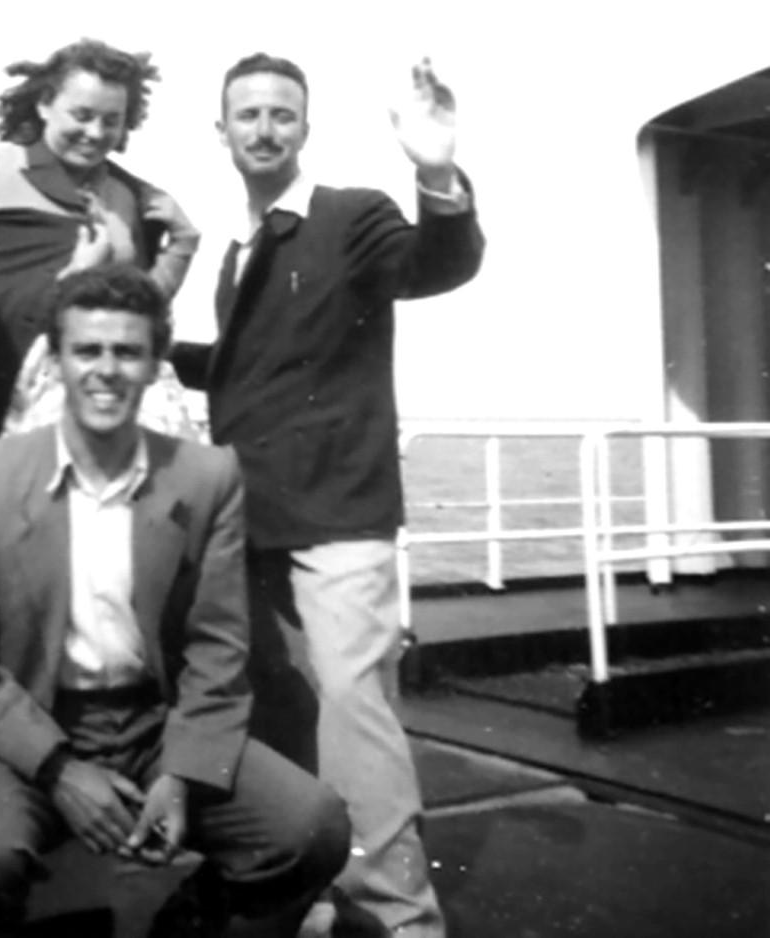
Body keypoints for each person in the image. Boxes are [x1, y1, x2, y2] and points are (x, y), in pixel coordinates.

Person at [0, 263, 351, 937]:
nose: (106, 369)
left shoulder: (205, 477)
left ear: (154, 366)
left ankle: (187, 923)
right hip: (28, 727)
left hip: (153, 726)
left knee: (312, 828)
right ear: (55, 362)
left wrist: (181, 774)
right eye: (87, 350)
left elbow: (218, 645)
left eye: (128, 351)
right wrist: (58, 770)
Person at [171, 54, 486, 937]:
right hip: (254, 515)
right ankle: (316, 890)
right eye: (248, 115)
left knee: (354, 712)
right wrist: (151, 346)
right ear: (222, 131)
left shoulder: (349, 216)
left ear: (303, 129)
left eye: (281, 114)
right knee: (283, 712)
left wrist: (433, 171)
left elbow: (435, 262)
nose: (265, 129)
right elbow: (251, 371)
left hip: (339, 514)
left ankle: (403, 919)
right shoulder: (239, 253)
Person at [0, 38, 201, 443]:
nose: (95, 133)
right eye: (82, 115)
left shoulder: (128, 195)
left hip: (83, 413)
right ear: (44, 104)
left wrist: (181, 247)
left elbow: (139, 311)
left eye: (112, 120)